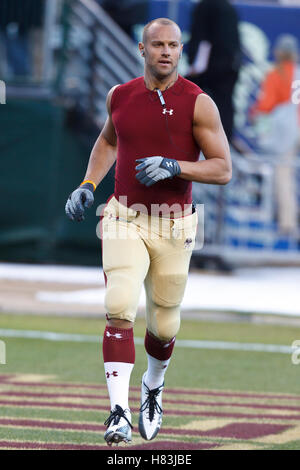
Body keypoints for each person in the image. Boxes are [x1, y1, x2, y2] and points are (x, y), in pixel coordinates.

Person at [65, 17, 231, 446]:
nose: (166, 52)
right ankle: (118, 412)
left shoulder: (199, 102)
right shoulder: (120, 96)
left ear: (180, 50)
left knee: (165, 323)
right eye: (157, 44)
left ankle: (153, 388)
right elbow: (108, 141)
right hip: (124, 215)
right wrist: (88, 185)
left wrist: (177, 166)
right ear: (142, 50)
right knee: (119, 303)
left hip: (175, 222)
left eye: (173, 45)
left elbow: (222, 168)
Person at [250, 34, 300, 235]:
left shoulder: (277, 74)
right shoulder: (298, 73)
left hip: (286, 132)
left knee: (282, 174)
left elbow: (266, 105)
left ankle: (287, 222)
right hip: (296, 127)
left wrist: (256, 116)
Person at [186, 0, 241, 143]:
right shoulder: (228, 7)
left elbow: (203, 38)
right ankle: (225, 141)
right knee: (225, 104)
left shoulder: (206, 6)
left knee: (196, 100)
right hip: (229, 66)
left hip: (212, 66)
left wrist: (196, 65)